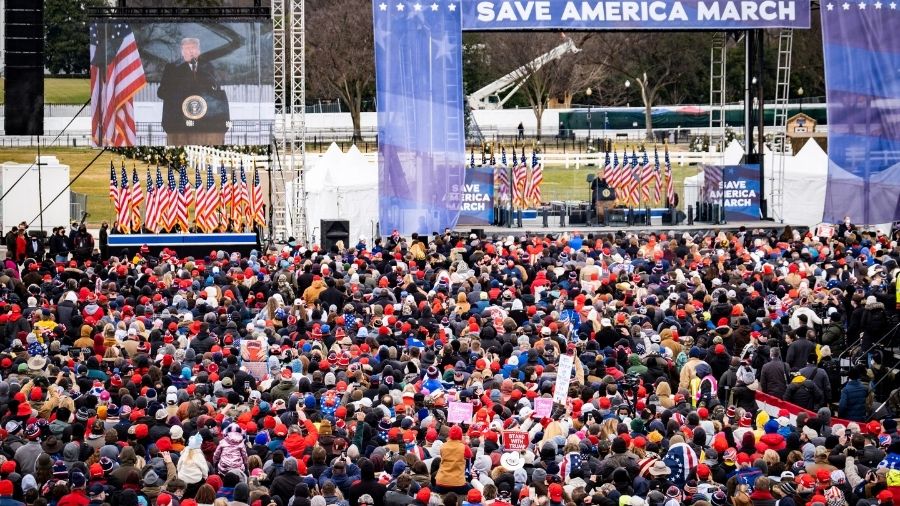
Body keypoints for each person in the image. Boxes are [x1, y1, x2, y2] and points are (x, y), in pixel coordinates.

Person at [156, 37, 230, 146]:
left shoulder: (207, 67)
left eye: (193, 48)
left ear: (199, 51)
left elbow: (215, 89)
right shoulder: (172, 68)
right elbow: (161, 93)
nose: (190, 51)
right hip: (179, 125)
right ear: (182, 51)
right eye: (187, 48)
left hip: (206, 125)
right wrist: (177, 89)